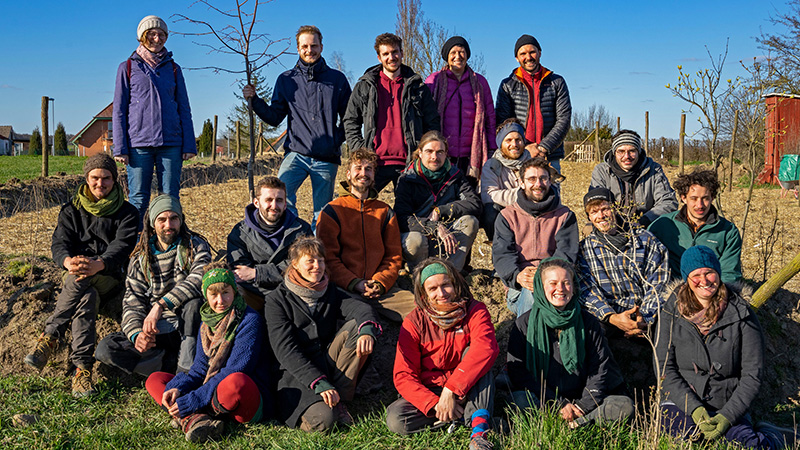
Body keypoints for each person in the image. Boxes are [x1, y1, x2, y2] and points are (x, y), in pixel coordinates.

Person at [24, 154, 139, 397]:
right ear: (86, 179)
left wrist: (99, 263)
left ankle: (51, 335)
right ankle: (82, 371)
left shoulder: (128, 213)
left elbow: (122, 247)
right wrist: (67, 261)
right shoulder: (71, 210)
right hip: (78, 276)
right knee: (86, 297)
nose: (100, 184)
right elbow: (59, 244)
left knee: (83, 279)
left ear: (114, 180)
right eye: (95, 178)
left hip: (111, 277)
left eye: (106, 178)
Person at [657, 246, 792, 449]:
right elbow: (664, 369)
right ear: (687, 279)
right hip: (680, 402)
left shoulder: (741, 313)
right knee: (685, 443)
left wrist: (727, 416)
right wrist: (693, 409)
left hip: (727, 402)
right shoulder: (671, 311)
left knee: (749, 446)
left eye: (709, 272)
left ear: (718, 274)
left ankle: (772, 437)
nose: (704, 281)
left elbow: (752, 374)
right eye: (696, 275)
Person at [145, 263, 273, 443]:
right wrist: (179, 388)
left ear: (234, 292)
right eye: (213, 294)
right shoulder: (206, 324)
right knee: (155, 380)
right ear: (206, 295)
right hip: (214, 392)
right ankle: (195, 420)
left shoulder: (249, 320)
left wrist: (194, 399)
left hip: (245, 397)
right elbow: (198, 370)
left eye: (225, 292)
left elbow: (237, 369)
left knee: (236, 382)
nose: (220, 300)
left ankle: (189, 416)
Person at [264, 237, 381, 432]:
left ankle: (340, 400)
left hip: (328, 363)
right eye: (309, 260)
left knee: (356, 328)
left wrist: (367, 330)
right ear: (295, 265)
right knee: (323, 422)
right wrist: (317, 382)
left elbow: (359, 308)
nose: (316, 266)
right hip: (297, 374)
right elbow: (285, 350)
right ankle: (321, 407)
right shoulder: (276, 301)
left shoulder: (329, 290)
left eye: (320, 260)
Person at [244, 25, 351, 231]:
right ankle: (290, 241)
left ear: (321, 46)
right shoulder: (286, 80)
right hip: (296, 154)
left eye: (313, 45)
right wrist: (254, 100)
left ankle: (316, 252)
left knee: (322, 212)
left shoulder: (337, 79)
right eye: (304, 46)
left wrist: (335, 140)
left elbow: (349, 118)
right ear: (298, 48)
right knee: (282, 199)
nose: (309, 50)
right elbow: (275, 117)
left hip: (326, 158)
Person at [506, 258, 634, 429]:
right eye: (553, 283)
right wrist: (557, 404)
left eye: (566, 283)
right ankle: (573, 424)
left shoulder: (588, 322)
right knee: (519, 401)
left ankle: (573, 424)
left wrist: (583, 406)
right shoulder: (524, 324)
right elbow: (519, 373)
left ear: (574, 287)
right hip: (545, 401)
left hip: (583, 402)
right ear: (540, 287)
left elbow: (600, 369)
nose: (560, 289)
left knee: (624, 405)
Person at [386, 258, 499, 450]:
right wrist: (435, 403)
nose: (441, 294)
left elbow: (486, 347)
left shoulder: (475, 310)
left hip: (466, 386)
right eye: (433, 289)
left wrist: (452, 389)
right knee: (396, 419)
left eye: (446, 285)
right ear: (423, 294)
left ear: (455, 283)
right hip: (432, 391)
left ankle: (479, 433)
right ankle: (468, 415)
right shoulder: (414, 322)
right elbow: (404, 375)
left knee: (478, 357)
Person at [96, 194, 211, 376]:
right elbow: (132, 301)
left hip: (187, 324)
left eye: (174, 218)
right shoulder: (140, 259)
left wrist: (160, 305)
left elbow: (199, 279)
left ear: (181, 220)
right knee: (106, 349)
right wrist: (136, 335)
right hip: (157, 330)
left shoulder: (195, 246)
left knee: (194, 305)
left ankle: (186, 371)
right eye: (162, 220)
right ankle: (169, 364)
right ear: (152, 223)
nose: (168, 225)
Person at [113, 15, 196, 230]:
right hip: (138, 145)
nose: (157, 38)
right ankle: (139, 247)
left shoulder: (174, 69)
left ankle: (173, 246)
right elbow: (119, 110)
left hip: (171, 143)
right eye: (152, 34)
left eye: (162, 34)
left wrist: (189, 145)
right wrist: (120, 147)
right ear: (142, 36)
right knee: (139, 199)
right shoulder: (128, 67)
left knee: (170, 199)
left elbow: (184, 108)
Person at [316, 148, 416, 323]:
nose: (363, 173)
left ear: (374, 175)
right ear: (348, 174)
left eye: (368, 169)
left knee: (421, 313)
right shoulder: (333, 211)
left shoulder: (385, 211)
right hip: (344, 289)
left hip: (382, 289)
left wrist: (379, 283)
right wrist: (355, 283)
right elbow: (328, 259)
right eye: (358, 168)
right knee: (353, 322)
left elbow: (393, 256)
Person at [344, 32, 440, 191]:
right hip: (373, 162)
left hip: (409, 162)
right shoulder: (365, 86)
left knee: (409, 212)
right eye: (386, 54)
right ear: (379, 57)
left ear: (402, 53)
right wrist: (360, 149)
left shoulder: (418, 87)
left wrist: (424, 153)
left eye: (395, 52)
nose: (391, 57)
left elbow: (432, 123)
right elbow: (350, 120)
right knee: (361, 206)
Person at [578, 188, 671, 335]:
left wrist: (644, 318)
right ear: (589, 217)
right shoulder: (585, 250)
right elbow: (587, 291)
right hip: (609, 317)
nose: (601, 216)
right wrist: (612, 317)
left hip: (645, 313)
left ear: (615, 209)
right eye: (594, 212)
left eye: (605, 209)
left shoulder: (644, 240)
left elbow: (659, 282)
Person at [493, 157, 578, 316]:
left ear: (550, 181)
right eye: (532, 179)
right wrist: (517, 275)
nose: (538, 184)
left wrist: (543, 276)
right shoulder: (507, 216)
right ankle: (529, 338)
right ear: (521, 182)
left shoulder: (565, 216)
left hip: (556, 282)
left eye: (543, 178)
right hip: (519, 287)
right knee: (532, 290)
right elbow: (502, 255)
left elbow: (566, 253)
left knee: (539, 287)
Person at [394, 131, 481, 272]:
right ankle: (420, 274)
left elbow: (474, 203)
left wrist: (441, 210)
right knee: (415, 240)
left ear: (446, 153)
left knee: (470, 222)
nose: (435, 157)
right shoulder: (407, 179)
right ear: (420, 153)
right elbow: (402, 218)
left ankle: (451, 273)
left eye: (440, 152)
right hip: (421, 236)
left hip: (448, 237)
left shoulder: (455, 175)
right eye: (429, 151)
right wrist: (433, 227)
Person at [227, 176, 312, 311]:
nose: (274, 206)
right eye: (268, 200)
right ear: (256, 202)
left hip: (292, 293)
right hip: (254, 294)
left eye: (279, 200)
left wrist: (257, 273)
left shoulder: (301, 230)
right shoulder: (239, 233)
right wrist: (277, 275)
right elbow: (241, 273)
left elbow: (302, 267)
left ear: (285, 204)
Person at [648, 168, 742, 283]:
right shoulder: (663, 225)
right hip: (671, 290)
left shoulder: (728, 231)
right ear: (683, 198)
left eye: (705, 198)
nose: (700, 205)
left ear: (712, 197)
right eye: (694, 198)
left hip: (708, 290)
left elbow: (730, 274)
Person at [424, 36, 496, 182]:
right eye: (453, 53)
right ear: (447, 57)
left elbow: (489, 116)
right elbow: (424, 115)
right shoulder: (434, 80)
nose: (458, 56)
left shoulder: (480, 82)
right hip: (442, 152)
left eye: (462, 52)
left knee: (469, 193)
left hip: (471, 154)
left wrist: (492, 146)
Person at [495, 34, 570, 172]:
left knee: (551, 192)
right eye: (523, 53)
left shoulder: (557, 82)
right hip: (518, 155)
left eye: (532, 52)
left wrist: (543, 147)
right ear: (517, 58)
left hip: (549, 156)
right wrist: (525, 147)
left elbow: (563, 120)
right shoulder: (507, 85)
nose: (528, 57)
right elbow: (503, 122)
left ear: (540, 53)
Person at [588, 129, 677, 227]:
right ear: (614, 152)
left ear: (639, 152)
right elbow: (594, 203)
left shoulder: (653, 169)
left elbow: (668, 201)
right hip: (611, 225)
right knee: (588, 230)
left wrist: (644, 220)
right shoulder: (602, 171)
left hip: (647, 225)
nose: (627, 156)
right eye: (621, 151)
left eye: (632, 151)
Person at [479, 119, 532, 241]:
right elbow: (489, 195)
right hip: (503, 213)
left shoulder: (532, 164)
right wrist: (522, 194)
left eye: (518, 140)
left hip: (529, 211)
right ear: (500, 143)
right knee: (490, 211)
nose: (514, 144)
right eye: (508, 140)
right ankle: (499, 248)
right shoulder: (492, 165)